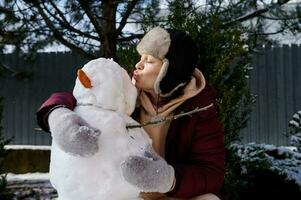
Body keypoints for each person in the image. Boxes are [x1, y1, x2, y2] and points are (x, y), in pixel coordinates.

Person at [36, 27, 225, 200]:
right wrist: (58, 115)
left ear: (170, 72)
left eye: (149, 61)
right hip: (123, 192)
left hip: (171, 195)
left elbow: (211, 173)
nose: (138, 65)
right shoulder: (124, 90)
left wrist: (167, 179)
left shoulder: (200, 110)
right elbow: (79, 96)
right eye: (141, 57)